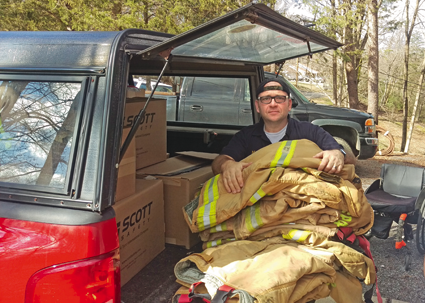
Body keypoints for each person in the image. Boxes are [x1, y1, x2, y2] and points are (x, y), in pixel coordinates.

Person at [212, 78, 356, 194]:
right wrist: (227, 165)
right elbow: (219, 161)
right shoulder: (245, 136)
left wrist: (338, 154)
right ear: (257, 106)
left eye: (279, 99)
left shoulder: (310, 131)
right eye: (266, 99)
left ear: (288, 104)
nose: (273, 104)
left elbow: (346, 155)